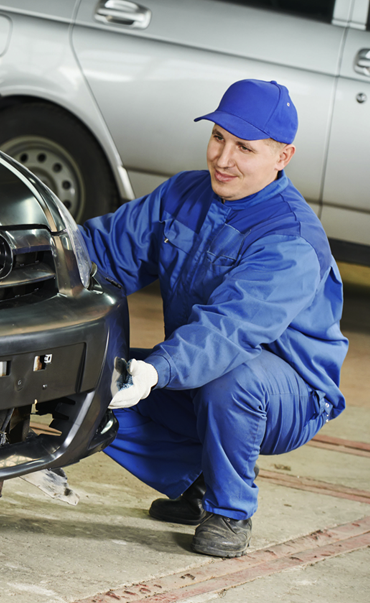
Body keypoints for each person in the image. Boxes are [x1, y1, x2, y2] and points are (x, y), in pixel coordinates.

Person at [80, 79, 347, 558]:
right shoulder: (184, 193)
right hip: (198, 371)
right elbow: (103, 251)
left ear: (282, 157)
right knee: (83, 388)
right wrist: (33, 252)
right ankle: (197, 479)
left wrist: (158, 369)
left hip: (288, 395)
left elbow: (230, 330)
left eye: (245, 147)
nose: (223, 159)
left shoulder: (291, 240)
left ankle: (231, 512)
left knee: (234, 383)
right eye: (219, 137)